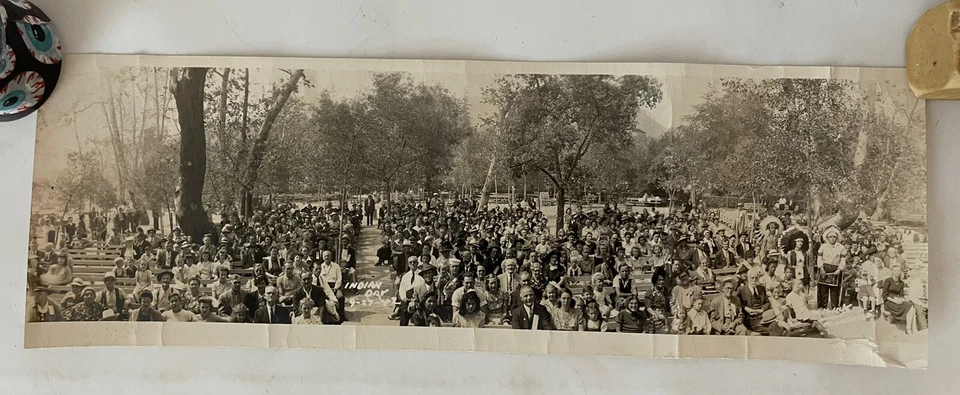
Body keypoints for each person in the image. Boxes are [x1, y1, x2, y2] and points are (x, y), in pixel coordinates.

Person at [880, 269, 919, 334]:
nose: (897, 272)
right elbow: (884, 295)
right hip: (889, 301)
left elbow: (901, 295)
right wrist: (894, 301)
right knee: (908, 305)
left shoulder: (901, 283)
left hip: (897, 300)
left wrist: (901, 300)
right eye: (895, 270)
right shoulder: (888, 280)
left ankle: (908, 328)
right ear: (892, 271)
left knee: (910, 305)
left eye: (898, 271)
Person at [816, 226, 847, 309]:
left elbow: (843, 260)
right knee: (823, 289)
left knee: (834, 290)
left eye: (834, 237)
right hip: (824, 268)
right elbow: (819, 258)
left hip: (835, 269)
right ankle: (822, 306)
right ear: (827, 237)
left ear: (836, 238)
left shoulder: (841, 247)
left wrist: (839, 269)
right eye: (830, 237)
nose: (832, 239)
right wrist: (821, 268)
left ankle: (834, 307)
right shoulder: (823, 246)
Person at [738, 267, 773, 335]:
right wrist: (745, 308)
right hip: (751, 320)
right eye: (752, 278)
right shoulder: (742, 290)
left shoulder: (761, 288)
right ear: (748, 278)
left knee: (776, 326)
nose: (754, 280)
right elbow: (736, 303)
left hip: (764, 316)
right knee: (769, 331)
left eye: (756, 278)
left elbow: (767, 303)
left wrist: (762, 309)